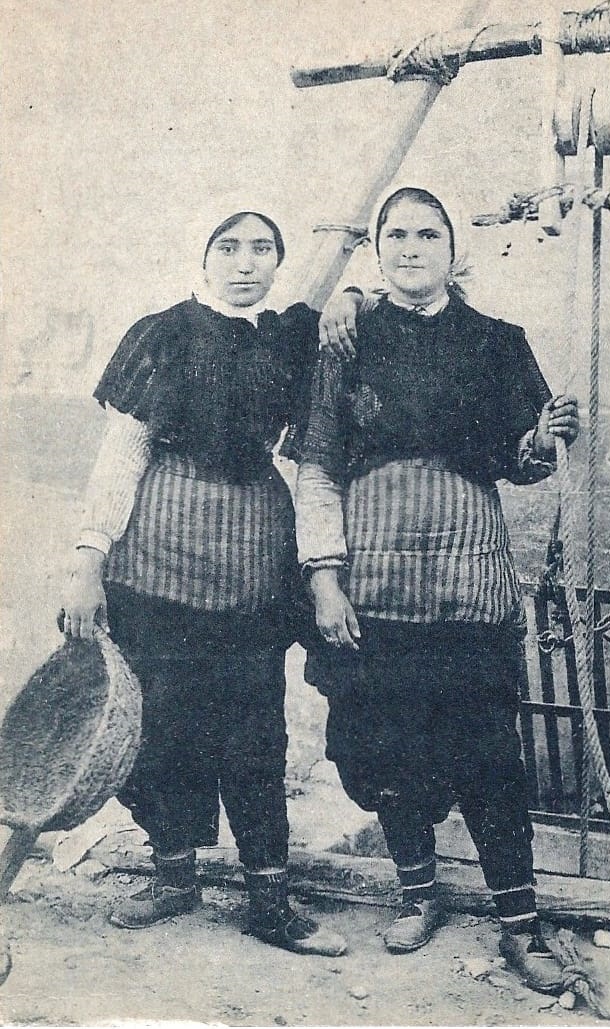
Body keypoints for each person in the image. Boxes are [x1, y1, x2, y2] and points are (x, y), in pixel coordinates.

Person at [295, 186, 580, 992]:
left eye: (428, 233)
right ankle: (417, 894)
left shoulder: (497, 341)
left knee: (489, 755)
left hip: (467, 586)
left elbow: (522, 460)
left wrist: (542, 435)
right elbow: (316, 466)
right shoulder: (347, 337)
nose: (411, 247)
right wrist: (326, 579)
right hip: (373, 586)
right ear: (378, 247)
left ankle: (520, 924)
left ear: (453, 248)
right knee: (384, 746)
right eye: (396, 234)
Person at [61, 207, 358, 956]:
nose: (245, 262)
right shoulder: (164, 332)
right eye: (229, 246)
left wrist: (352, 296)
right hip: (155, 563)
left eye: (263, 248)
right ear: (205, 257)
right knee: (158, 728)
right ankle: (173, 877)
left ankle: (270, 900)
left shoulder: (294, 337)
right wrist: (88, 561)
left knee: (255, 730)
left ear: (279, 261)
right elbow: (122, 453)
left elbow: (325, 421)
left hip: (252, 567)